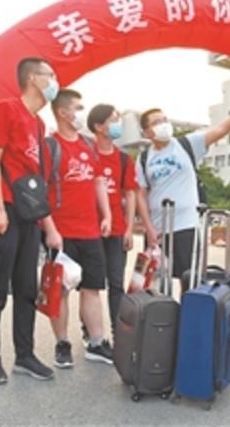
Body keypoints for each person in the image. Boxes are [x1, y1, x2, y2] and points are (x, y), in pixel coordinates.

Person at [0, 57, 62, 384]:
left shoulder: (39, 124)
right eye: (50, 75)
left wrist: (49, 227)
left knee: (26, 287)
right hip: (3, 209)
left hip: (27, 214)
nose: (54, 81)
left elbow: (36, 182)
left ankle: (24, 355)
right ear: (32, 79)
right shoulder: (7, 109)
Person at [135, 88, 230, 289]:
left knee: (189, 280)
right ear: (147, 132)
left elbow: (222, 129)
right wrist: (148, 228)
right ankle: (159, 311)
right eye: (157, 122)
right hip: (157, 229)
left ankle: (188, 311)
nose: (164, 124)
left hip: (186, 225)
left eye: (165, 119)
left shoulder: (187, 144)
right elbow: (141, 194)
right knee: (153, 283)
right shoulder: (144, 158)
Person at [46, 89, 114, 368]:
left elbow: (98, 181)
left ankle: (96, 343)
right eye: (77, 108)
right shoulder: (50, 146)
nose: (81, 113)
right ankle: (62, 343)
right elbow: (39, 191)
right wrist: (50, 229)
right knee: (60, 291)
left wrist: (106, 214)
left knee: (92, 288)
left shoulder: (88, 144)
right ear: (63, 112)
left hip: (90, 232)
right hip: (62, 234)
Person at [86, 104, 138, 333]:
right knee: (90, 285)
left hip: (116, 230)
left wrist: (129, 229)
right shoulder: (86, 154)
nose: (118, 125)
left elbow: (130, 194)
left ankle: (119, 333)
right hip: (89, 230)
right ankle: (90, 332)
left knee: (116, 283)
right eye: (113, 120)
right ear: (98, 126)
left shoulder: (124, 159)